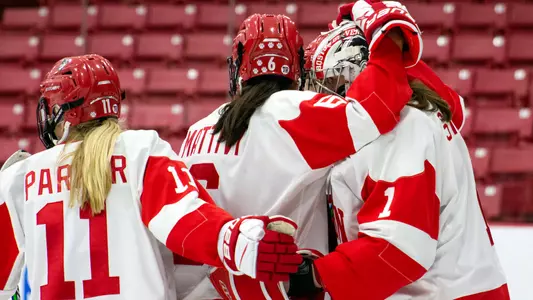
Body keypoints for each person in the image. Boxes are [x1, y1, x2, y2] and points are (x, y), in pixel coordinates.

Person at [0, 54, 303, 300]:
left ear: (62, 111)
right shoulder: (139, 151)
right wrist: (240, 242)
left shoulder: (18, 178)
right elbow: (186, 222)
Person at [176, 7, 421, 299]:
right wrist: (389, 31)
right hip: (272, 286)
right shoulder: (293, 112)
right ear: (297, 68)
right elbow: (376, 108)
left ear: (238, 68)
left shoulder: (196, 131)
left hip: (197, 289)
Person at [299, 2, 510, 299]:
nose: (318, 93)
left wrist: (316, 277)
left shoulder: (403, 128)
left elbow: (400, 248)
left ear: (357, 74)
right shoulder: (410, 112)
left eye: (329, 81)